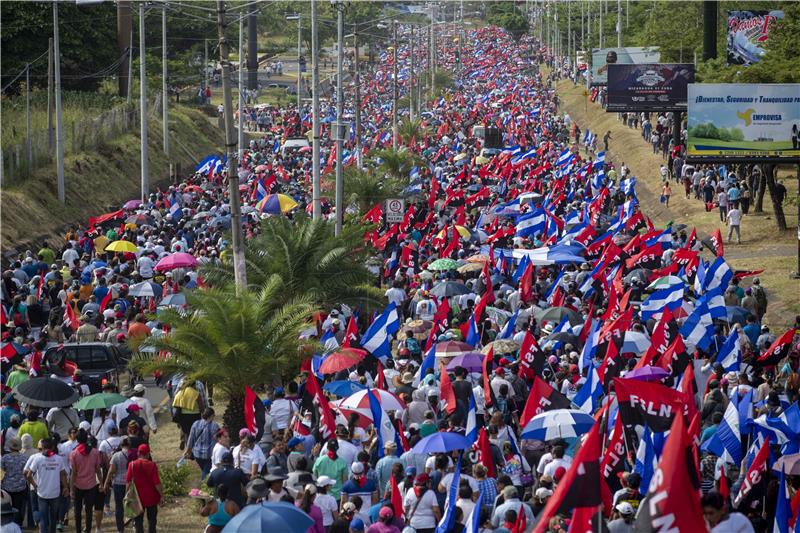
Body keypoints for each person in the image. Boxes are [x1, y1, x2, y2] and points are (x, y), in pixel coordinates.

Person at [24, 438, 69, 533]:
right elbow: (63, 474)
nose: (46, 450)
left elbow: (28, 475)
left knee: (44, 519)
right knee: (53, 519)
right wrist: (65, 487)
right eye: (45, 448)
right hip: (53, 494)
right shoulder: (58, 459)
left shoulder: (38, 459)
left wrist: (34, 485)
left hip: (43, 493)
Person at [69, 428, 103, 533]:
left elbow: (73, 473)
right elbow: (98, 470)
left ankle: (78, 530)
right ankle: (88, 530)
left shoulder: (73, 454)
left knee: (77, 511)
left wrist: (71, 489)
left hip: (78, 485)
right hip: (91, 485)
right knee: (89, 511)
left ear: (77, 439)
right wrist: (101, 483)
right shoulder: (95, 452)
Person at [126, 444, 161, 533]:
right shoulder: (152, 465)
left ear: (139, 453)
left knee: (138, 522)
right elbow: (157, 483)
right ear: (148, 454)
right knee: (152, 522)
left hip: (137, 498)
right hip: (152, 498)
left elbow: (128, 482)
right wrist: (162, 495)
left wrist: (127, 495)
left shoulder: (132, 465)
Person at [185, 408, 220, 480]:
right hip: (208, 455)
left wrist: (187, 450)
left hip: (197, 454)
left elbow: (191, 439)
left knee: (204, 470)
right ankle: (205, 486)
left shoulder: (196, 424)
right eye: (213, 415)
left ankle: (206, 483)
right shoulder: (215, 426)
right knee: (206, 473)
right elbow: (219, 438)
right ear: (211, 416)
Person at [1, 438, 28, 527]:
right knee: (19, 508)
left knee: (7, 508)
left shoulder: (5, 458)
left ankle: (8, 525)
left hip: (7, 487)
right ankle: (18, 525)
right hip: (21, 487)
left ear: (10, 447)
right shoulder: (25, 458)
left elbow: (0, 473)